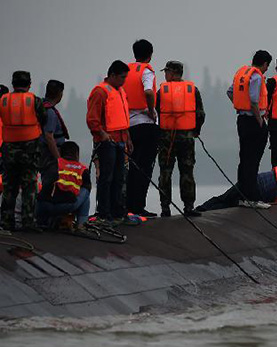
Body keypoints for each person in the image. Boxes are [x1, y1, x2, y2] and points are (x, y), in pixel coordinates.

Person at [156, 60, 205, 218]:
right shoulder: (192, 89)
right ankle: (189, 207)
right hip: (187, 138)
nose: (165, 75)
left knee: (165, 172)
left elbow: (156, 112)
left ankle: (165, 209)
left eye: (166, 71)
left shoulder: (161, 91)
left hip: (166, 138)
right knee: (187, 172)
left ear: (172, 73)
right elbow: (200, 114)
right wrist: (196, 131)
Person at [87, 60, 133, 224]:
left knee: (119, 178)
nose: (124, 81)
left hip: (121, 140)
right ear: (112, 75)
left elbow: (123, 118)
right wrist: (102, 134)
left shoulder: (120, 91)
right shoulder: (100, 92)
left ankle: (118, 212)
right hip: (107, 142)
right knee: (107, 178)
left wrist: (128, 138)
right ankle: (104, 213)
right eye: (122, 77)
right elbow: (92, 119)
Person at [0, 71, 47, 231]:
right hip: (30, 149)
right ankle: (28, 222)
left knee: (9, 187)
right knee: (29, 186)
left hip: (9, 149)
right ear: (29, 84)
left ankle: (6, 221)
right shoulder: (34, 100)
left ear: (13, 83)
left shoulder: (3, 100)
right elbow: (43, 118)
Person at [227, 50, 271, 200]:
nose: (266, 69)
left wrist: (239, 105)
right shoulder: (256, 76)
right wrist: (260, 119)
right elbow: (253, 100)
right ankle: (252, 197)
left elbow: (230, 92)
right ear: (265, 64)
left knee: (244, 158)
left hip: (242, 120)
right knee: (253, 160)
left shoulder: (242, 73)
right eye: (267, 66)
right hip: (253, 121)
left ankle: (242, 194)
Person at [124, 39, 159, 217]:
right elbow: (148, 91)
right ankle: (138, 206)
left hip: (127, 126)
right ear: (150, 54)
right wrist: (152, 110)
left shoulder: (126, 72)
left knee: (132, 166)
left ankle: (129, 206)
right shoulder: (146, 71)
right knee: (144, 167)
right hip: (145, 124)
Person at [197, 166, 277, 212]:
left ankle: (202, 210)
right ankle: (202, 210)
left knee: (228, 200)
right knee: (227, 200)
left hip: (259, 181)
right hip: (260, 187)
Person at [36, 141, 91, 230]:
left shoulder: (53, 163)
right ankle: (81, 224)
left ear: (61, 152)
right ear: (77, 154)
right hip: (66, 205)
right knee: (86, 191)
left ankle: (42, 222)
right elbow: (87, 188)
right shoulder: (82, 169)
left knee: (43, 190)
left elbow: (46, 182)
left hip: (44, 204)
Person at [39, 79, 69, 191]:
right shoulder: (50, 113)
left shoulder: (42, 107)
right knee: (50, 183)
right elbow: (49, 137)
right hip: (50, 156)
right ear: (59, 94)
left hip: (45, 154)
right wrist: (59, 159)